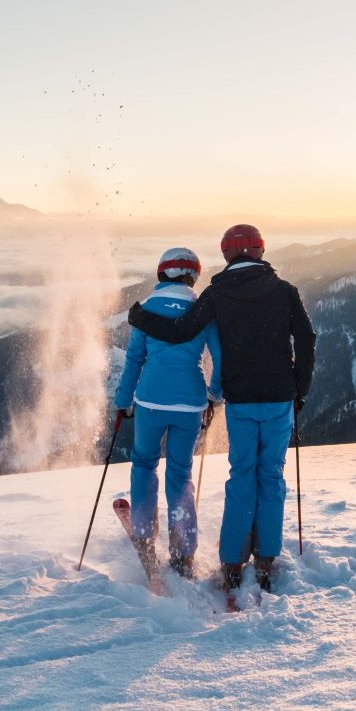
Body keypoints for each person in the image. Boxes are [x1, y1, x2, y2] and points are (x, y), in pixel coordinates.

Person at [127, 223, 315, 595]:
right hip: (279, 397)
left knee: (242, 473)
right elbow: (307, 339)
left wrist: (140, 317)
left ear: (227, 254)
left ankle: (231, 563)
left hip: (242, 399)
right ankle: (265, 559)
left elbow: (180, 331)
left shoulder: (216, 293)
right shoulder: (285, 291)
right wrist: (299, 389)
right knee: (271, 475)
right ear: (260, 251)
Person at [114, 247, 223, 578]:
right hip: (190, 402)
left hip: (149, 400)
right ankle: (183, 552)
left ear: (162, 273)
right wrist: (213, 397)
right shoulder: (203, 311)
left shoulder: (147, 309)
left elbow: (134, 359)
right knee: (180, 473)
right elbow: (220, 361)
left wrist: (123, 400)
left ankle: (145, 537)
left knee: (144, 465)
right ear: (194, 275)